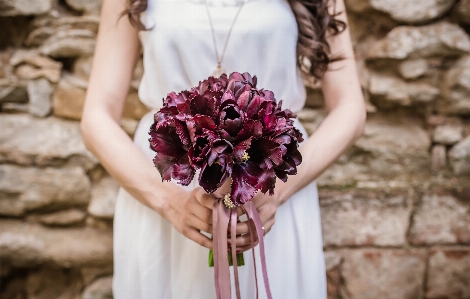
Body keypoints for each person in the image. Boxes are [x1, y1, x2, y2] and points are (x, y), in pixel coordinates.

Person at [81, 0, 366, 297]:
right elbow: (96, 116)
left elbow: (351, 109)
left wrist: (276, 194)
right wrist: (170, 201)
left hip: (274, 184)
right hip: (166, 185)